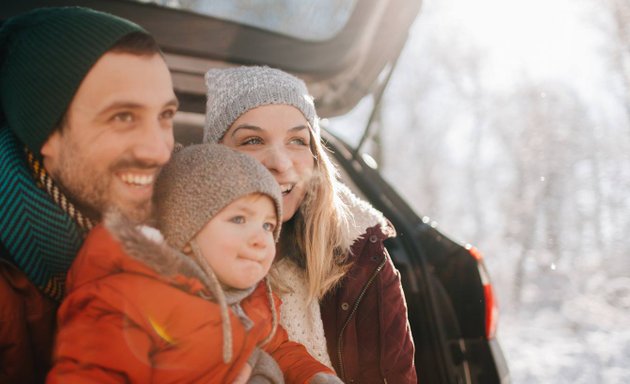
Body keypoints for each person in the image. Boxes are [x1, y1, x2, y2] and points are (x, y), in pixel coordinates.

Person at [47, 144, 342, 384]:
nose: (261, 240)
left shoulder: (251, 300)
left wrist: (315, 376)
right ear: (186, 232)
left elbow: (277, 347)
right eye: (239, 219)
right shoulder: (127, 303)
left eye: (267, 225)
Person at [204, 66, 417, 383]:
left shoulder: (364, 261)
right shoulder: (180, 254)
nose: (280, 162)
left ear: (315, 155)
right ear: (215, 158)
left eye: (297, 140)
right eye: (252, 140)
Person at [0, 7, 177, 382]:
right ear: (46, 133)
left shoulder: (175, 231)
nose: (159, 151)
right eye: (123, 117)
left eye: (165, 115)